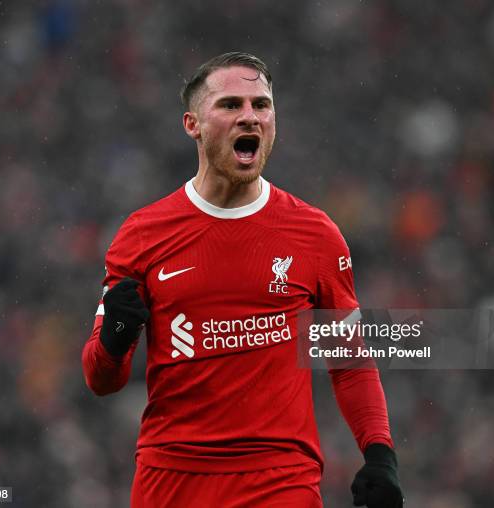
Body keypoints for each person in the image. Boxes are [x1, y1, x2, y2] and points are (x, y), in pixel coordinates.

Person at [82, 52, 404, 508]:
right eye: (231, 104)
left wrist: (379, 454)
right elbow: (101, 379)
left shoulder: (315, 234)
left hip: (279, 480)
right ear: (192, 124)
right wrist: (115, 336)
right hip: (171, 480)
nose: (249, 116)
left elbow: (349, 362)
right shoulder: (141, 235)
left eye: (262, 104)